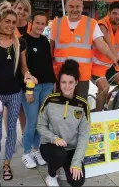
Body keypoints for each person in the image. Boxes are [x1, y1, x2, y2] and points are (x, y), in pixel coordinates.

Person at [0, 1, 37, 181]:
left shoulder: (19, 43)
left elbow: (24, 67)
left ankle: (6, 163)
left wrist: (29, 75)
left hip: (15, 94)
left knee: (12, 130)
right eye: (7, 21)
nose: (10, 25)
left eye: (14, 22)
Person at [49, 0, 119, 100]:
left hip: (81, 76)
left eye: (77, 6)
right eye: (71, 6)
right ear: (66, 7)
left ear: (82, 7)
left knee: (79, 109)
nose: (74, 10)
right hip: (61, 76)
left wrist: (114, 58)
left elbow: (102, 45)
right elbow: (51, 48)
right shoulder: (56, 23)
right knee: (60, 108)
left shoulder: (91, 23)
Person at [38, 59, 90, 187]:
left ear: (76, 82)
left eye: (71, 82)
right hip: (50, 146)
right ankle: (51, 175)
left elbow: (84, 135)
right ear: (59, 83)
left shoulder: (82, 104)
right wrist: (54, 138)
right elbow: (40, 126)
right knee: (59, 154)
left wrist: (77, 162)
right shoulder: (50, 100)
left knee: (77, 181)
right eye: (63, 82)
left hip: (71, 149)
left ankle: (63, 165)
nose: (67, 86)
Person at [21, 11, 55, 169]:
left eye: (43, 23)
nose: (40, 26)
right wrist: (28, 89)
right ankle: (26, 152)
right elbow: (22, 67)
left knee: (42, 122)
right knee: (32, 121)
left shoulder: (45, 41)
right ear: (31, 22)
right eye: (37, 23)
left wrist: (53, 84)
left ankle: (36, 150)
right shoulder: (23, 41)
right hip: (31, 88)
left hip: (47, 86)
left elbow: (48, 64)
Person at [12, 0, 32, 134]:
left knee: (26, 104)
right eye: (19, 8)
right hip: (12, 70)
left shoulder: (32, 26)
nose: (21, 12)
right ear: (14, 8)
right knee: (13, 106)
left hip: (28, 70)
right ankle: (11, 135)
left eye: (25, 10)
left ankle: (25, 133)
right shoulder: (8, 25)